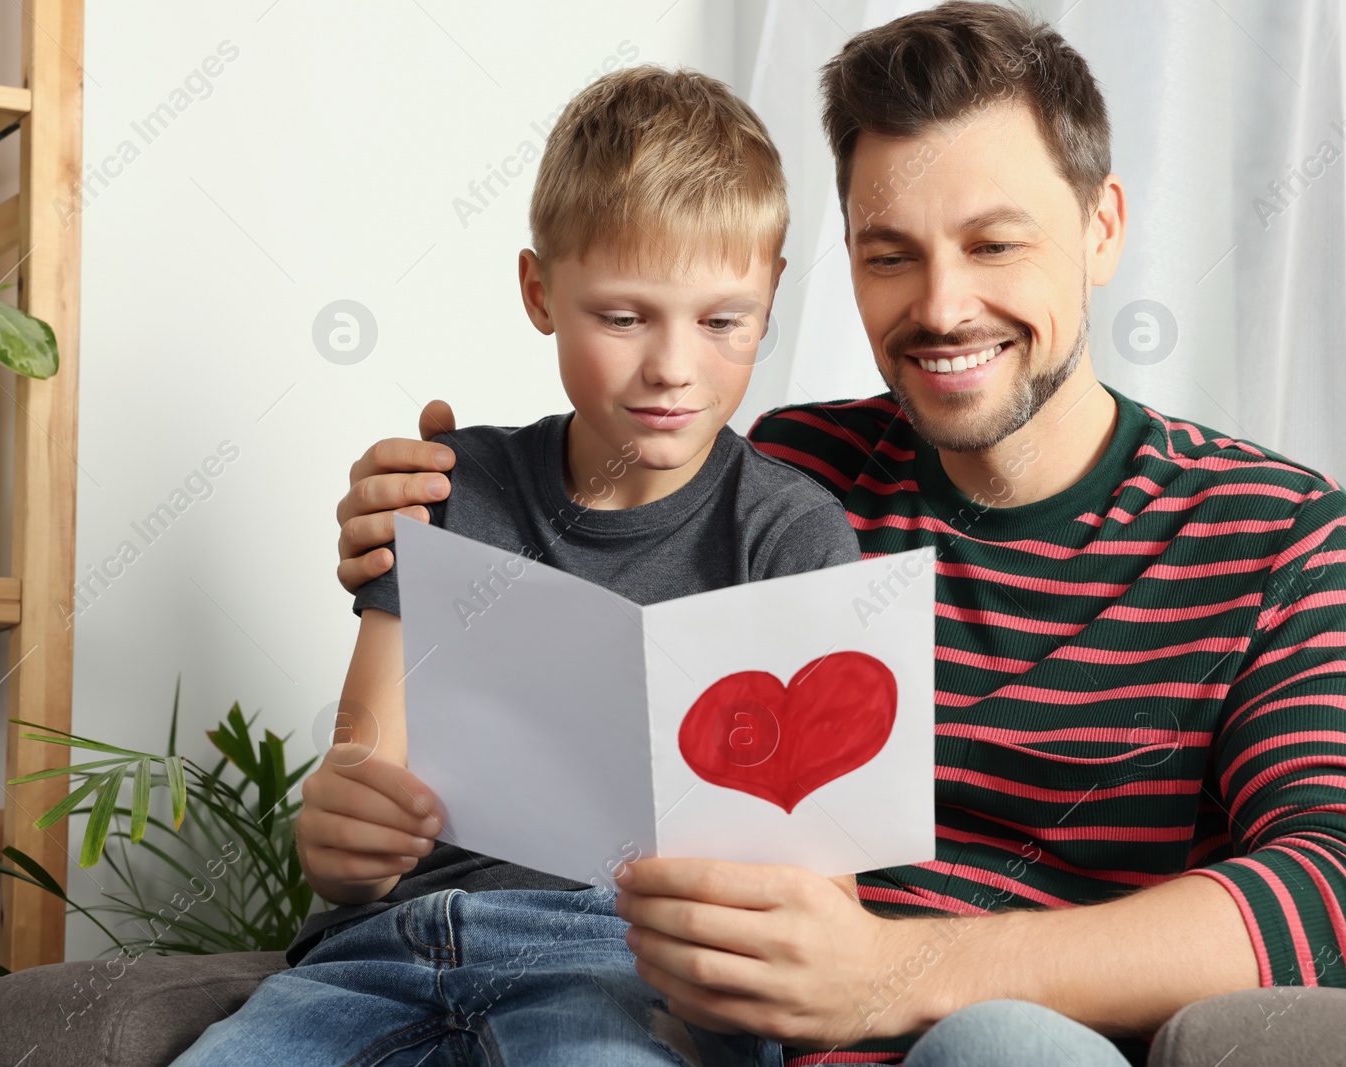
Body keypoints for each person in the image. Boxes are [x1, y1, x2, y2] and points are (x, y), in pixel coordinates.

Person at [331, 4, 1346, 1066]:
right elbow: (571, 593)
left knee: (992, 1044)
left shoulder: (1275, 533)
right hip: (733, 1038)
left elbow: (1325, 885)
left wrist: (890, 974)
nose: (943, 306)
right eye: (889, 253)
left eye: (993, 243)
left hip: (1018, 1043)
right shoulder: (791, 477)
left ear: (1101, 228)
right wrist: (419, 517)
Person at [172, 66, 861, 1066]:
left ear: (771, 296)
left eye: (721, 320)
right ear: (541, 292)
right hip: (378, 954)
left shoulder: (790, 537)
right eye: (623, 317)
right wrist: (342, 835)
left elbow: (819, 903)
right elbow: (362, 774)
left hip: (620, 962)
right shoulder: (456, 489)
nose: (673, 364)